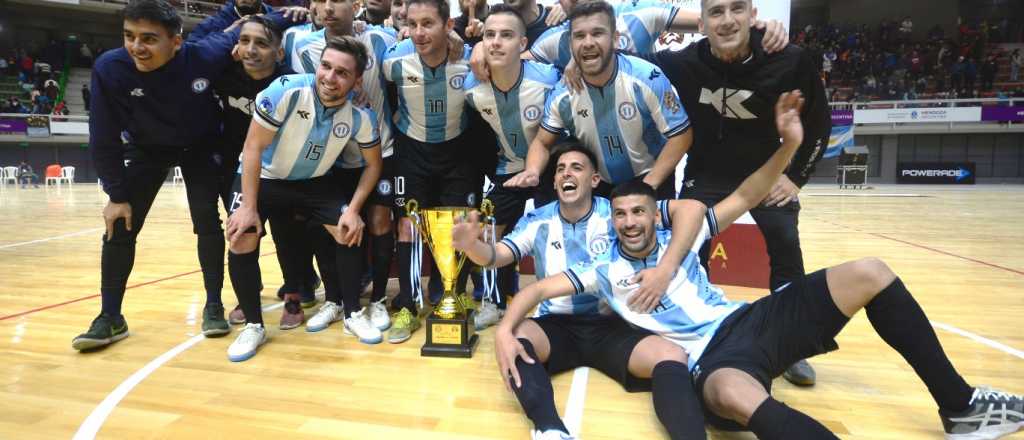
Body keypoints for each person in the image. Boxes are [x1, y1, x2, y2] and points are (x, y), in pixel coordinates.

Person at [496, 91, 1024, 440]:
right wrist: (506, 328)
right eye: (620, 215)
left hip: (750, 321)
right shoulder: (601, 266)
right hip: (707, 359)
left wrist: (789, 144)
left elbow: (748, 192)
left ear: (654, 214)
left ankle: (959, 405)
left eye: (638, 212)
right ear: (609, 222)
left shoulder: (681, 232)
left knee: (870, 271)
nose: (629, 222)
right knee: (734, 397)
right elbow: (537, 290)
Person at [455, 142, 713, 439]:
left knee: (671, 355)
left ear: (594, 180)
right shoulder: (538, 220)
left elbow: (688, 210)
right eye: (561, 169)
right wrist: (471, 246)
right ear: (554, 182)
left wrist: (665, 269)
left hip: (614, 324)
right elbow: (496, 256)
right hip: (556, 327)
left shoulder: (617, 213)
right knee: (516, 338)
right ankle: (550, 429)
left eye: (577, 167)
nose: (567, 173)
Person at [636, 0, 831, 387]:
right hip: (706, 172)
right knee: (690, 247)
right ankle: (696, 332)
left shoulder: (789, 60)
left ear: (752, 14)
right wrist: (573, 61)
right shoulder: (681, 63)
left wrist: (795, 179)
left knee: (785, 243)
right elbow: (621, 56)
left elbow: (820, 123)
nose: (727, 21)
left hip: (765, 171)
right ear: (702, 22)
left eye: (737, 9)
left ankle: (790, 345)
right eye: (716, 12)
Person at [72, 0, 247, 351]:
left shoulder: (202, 55)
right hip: (146, 148)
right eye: (129, 36)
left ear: (176, 41)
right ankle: (110, 317)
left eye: (149, 39)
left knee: (206, 221)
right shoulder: (110, 68)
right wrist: (116, 195)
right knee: (120, 224)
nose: (137, 46)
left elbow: (239, 28)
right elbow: (103, 136)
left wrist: (282, 12)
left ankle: (213, 305)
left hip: (200, 146)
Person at [224, 36, 384, 361]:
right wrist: (249, 208)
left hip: (313, 183)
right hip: (264, 178)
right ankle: (253, 325)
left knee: (348, 230)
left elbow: (373, 166)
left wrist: (353, 210)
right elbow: (252, 148)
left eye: (342, 73)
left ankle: (352, 312)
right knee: (241, 236)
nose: (329, 77)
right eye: (326, 67)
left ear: (356, 81)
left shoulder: (359, 118)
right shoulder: (284, 91)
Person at [505, 1, 691, 202]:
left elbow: (681, 135)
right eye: (579, 36)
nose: (588, 43)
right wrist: (532, 170)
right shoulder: (561, 95)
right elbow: (542, 142)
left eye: (597, 34)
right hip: (598, 184)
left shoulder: (647, 77)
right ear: (570, 43)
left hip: (652, 176)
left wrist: (648, 186)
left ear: (615, 39)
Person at [292, 0, 399, 333]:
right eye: (320, 1)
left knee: (380, 221)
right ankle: (335, 300)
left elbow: (414, 48)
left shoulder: (381, 39)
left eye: (336, 0)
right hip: (331, 156)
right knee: (330, 228)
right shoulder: (300, 45)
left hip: (381, 149)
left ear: (356, 5)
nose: (327, 8)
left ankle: (379, 298)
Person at [381, 0, 481, 344]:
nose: (419, 33)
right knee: (408, 226)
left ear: (447, 25)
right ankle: (408, 305)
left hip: (458, 150)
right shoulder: (393, 60)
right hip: (412, 151)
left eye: (428, 24)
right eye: (412, 24)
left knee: (460, 224)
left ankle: (454, 293)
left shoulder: (471, 60)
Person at [461, 5, 560, 329]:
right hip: (507, 170)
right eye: (489, 35)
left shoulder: (549, 78)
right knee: (491, 229)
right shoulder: (470, 89)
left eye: (506, 35)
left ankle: (559, 301)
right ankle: (493, 302)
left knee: (555, 230)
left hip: (552, 169)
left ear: (523, 43)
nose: (496, 42)